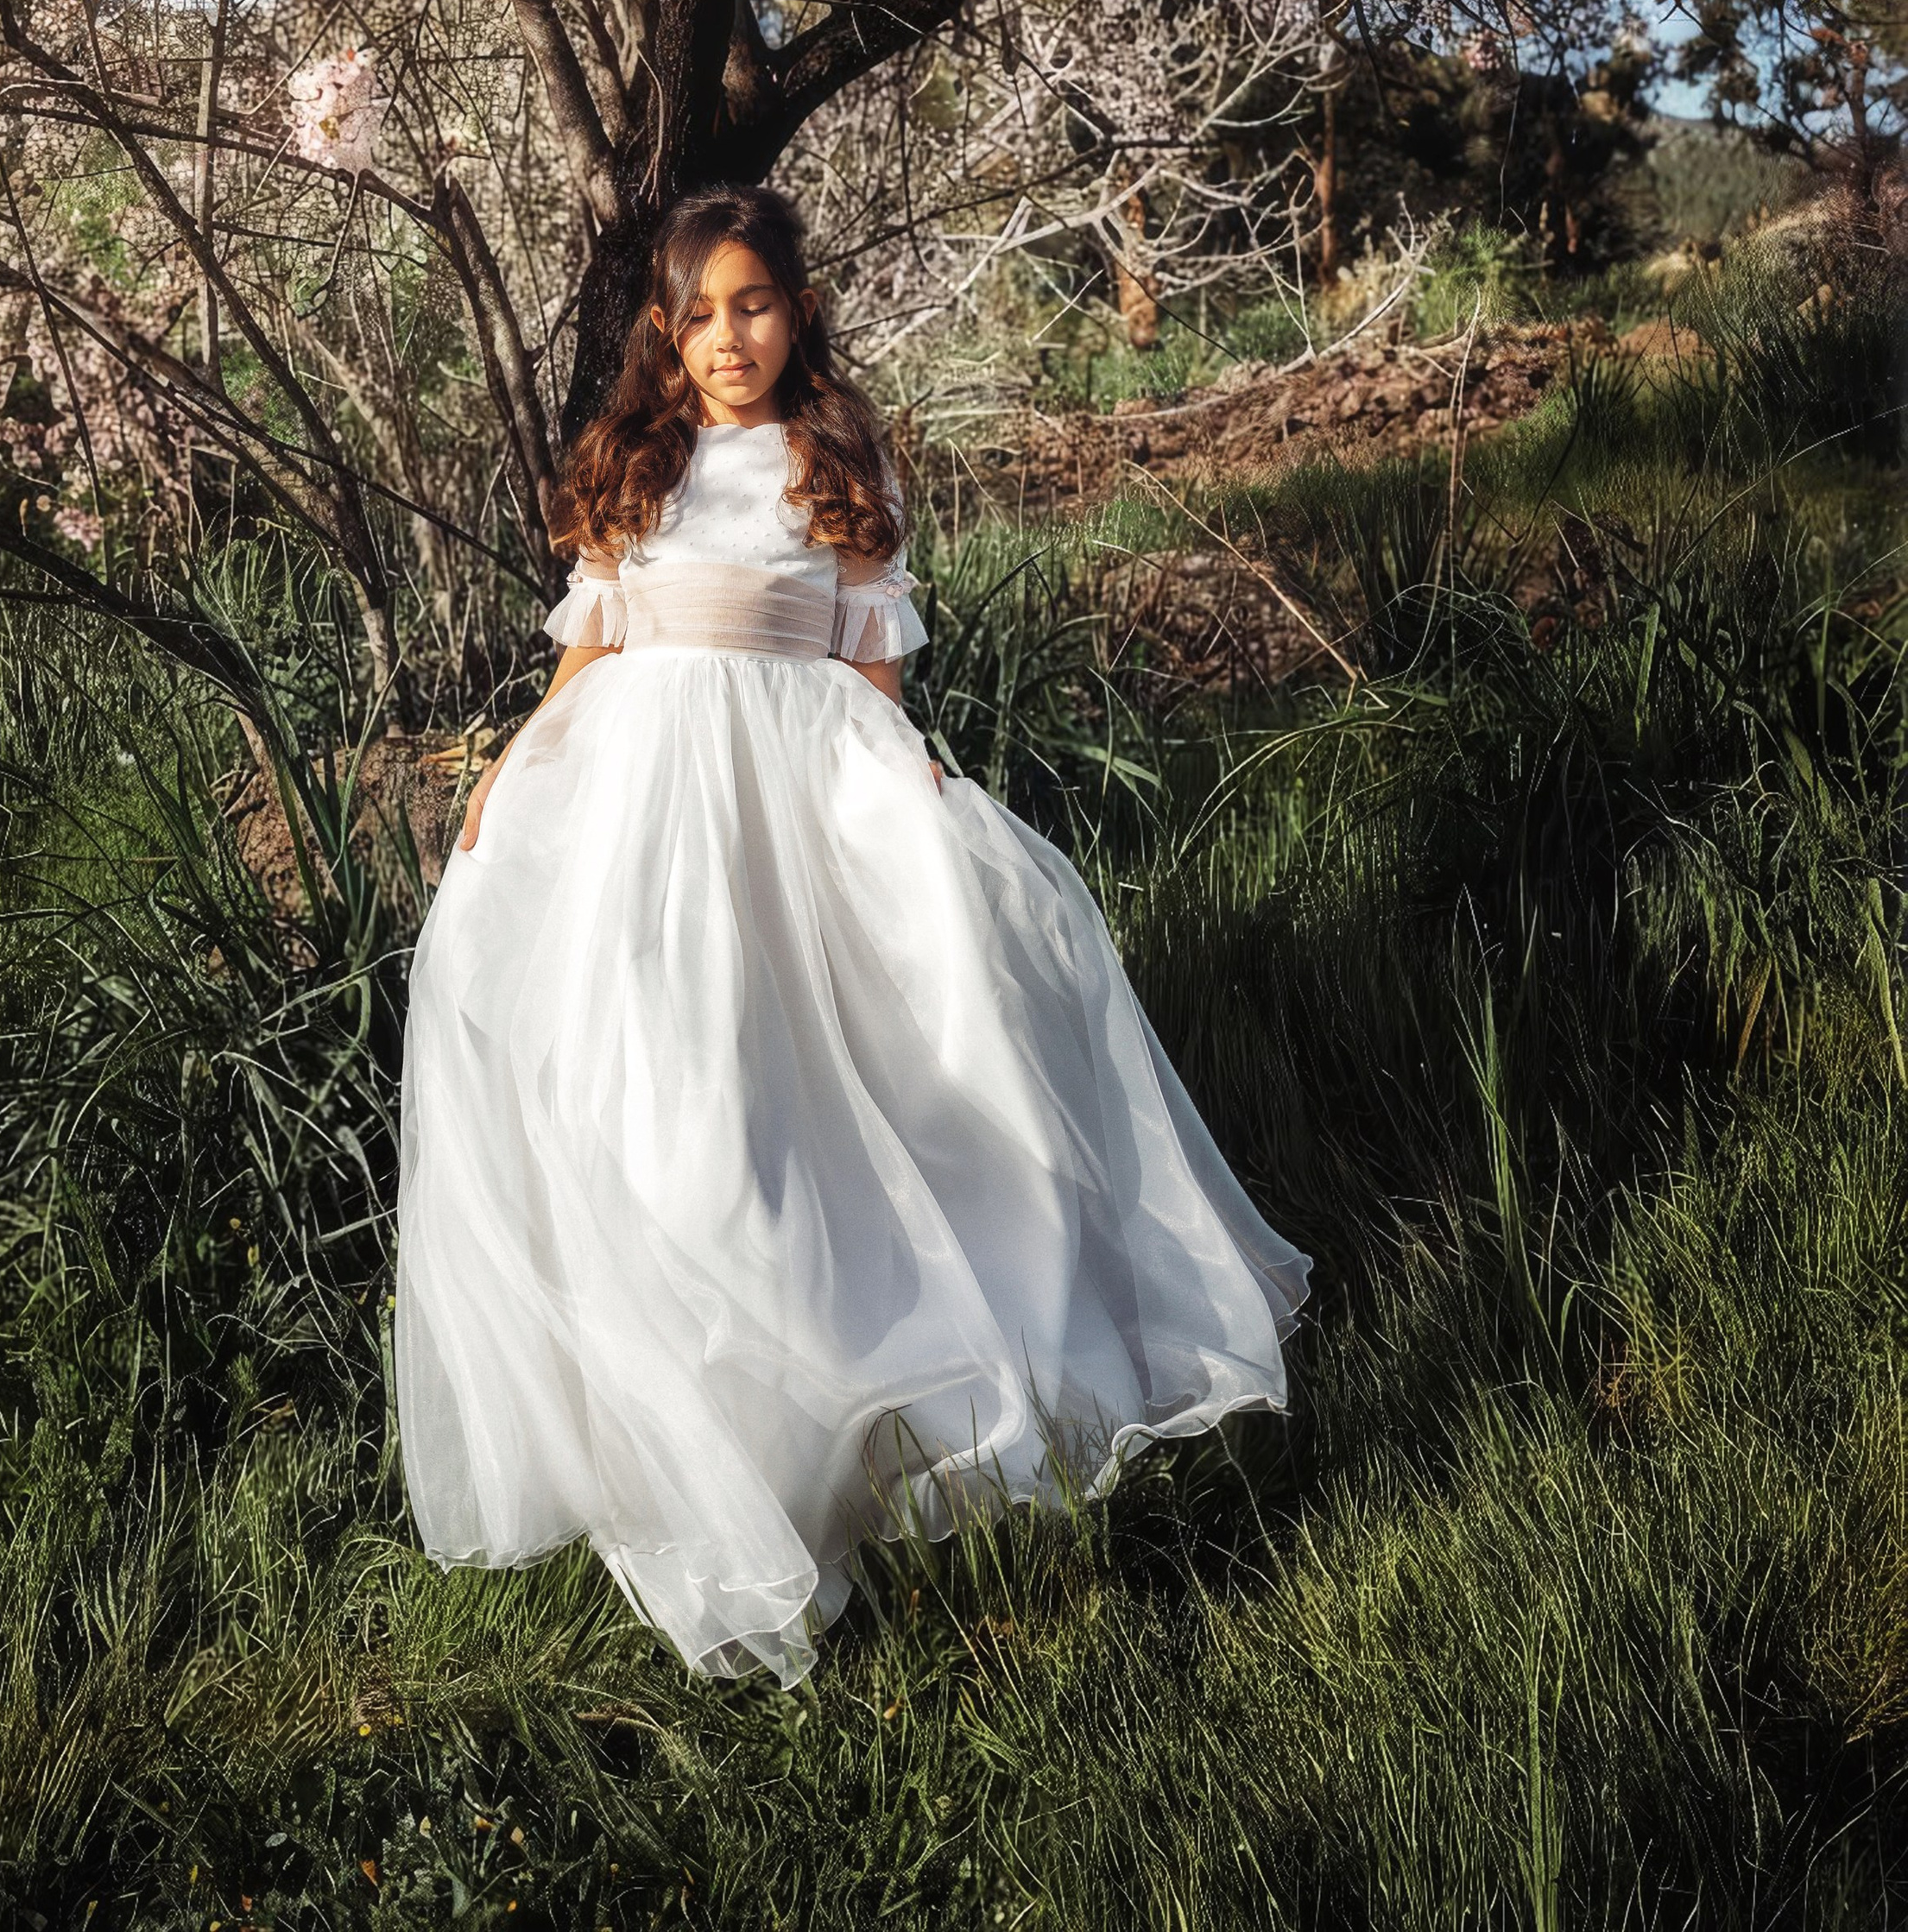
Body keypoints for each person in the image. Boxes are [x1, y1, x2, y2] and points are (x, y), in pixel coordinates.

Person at [393, 183, 1308, 1686]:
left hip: (796, 798)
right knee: (661, 1090)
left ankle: (861, 1402)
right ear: (666, 331)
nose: (729, 338)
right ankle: (698, 1420)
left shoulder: (835, 456)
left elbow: (871, 670)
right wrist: (511, 765)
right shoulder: (642, 462)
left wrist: (915, 791)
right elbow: (593, 643)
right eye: (700, 314)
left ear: (797, 310)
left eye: (754, 304)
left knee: (828, 1082)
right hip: (639, 809)